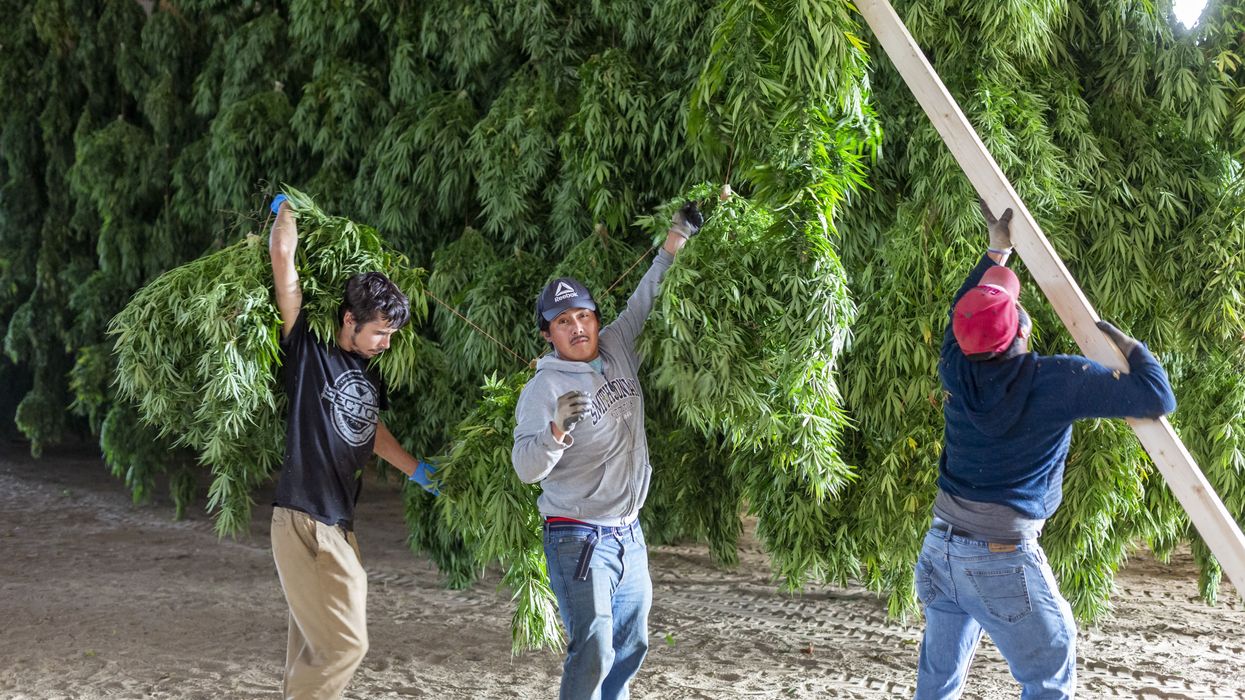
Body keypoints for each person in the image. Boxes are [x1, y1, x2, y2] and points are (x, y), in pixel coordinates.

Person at [913, 201, 1177, 699]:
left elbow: (963, 309)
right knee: (1050, 673)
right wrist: (1136, 349)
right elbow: (1157, 397)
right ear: (1019, 332)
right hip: (999, 557)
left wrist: (997, 253)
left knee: (938, 682)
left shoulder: (956, 362)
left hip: (940, 548)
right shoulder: (1057, 381)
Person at [511, 202, 703, 700]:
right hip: (577, 537)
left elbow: (648, 294)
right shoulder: (543, 389)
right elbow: (525, 468)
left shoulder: (617, 344)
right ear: (548, 334)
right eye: (563, 322)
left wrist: (677, 237)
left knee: (632, 642)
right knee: (593, 643)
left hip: (628, 532)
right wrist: (556, 431)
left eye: (583, 315)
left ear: (596, 318)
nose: (577, 327)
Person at [267, 193, 438, 700]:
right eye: (380, 333)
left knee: (313, 649)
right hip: (302, 518)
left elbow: (371, 432)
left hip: (338, 523)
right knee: (347, 646)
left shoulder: (365, 371)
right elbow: (285, 263)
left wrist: (419, 472)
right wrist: (286, 209)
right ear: (348, 320)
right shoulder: (307, 350)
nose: (386, 342)